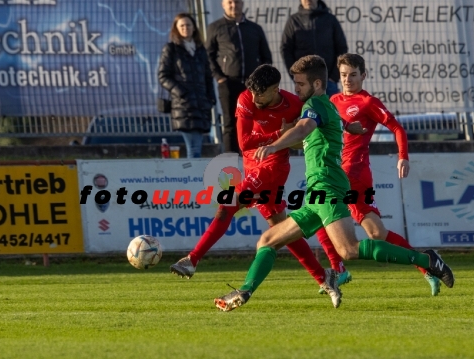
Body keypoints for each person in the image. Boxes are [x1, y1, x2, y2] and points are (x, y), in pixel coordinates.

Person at [214, 55, 455, 312]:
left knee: (349, 250)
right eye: (294, 84)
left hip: (328, 186)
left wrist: (274, 145)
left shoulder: (316, 105)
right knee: (267, 241)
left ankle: (427, 259)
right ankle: (246, 290)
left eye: (300, 84)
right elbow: (323, 127)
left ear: (317, 84)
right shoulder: (325, 104)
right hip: (317, 193)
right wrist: (346, 127)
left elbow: (304, 128)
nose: (295, 89)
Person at [170, 64, 340, 302]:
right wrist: (277, 134)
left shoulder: (294, 105)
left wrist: (343, 128)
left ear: (275, 89)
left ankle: (192, 260)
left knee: (228, 204)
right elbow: (245, 142)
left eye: (261, 93)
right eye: (252, 92)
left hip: (272, 169)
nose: (254, 98)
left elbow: (307, 135)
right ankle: (325, 278)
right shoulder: (246, 98)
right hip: (252, 165)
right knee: (282, 232)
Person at [314, 53, 441, 296]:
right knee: (377, 233)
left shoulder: (367, 102)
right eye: (343, 75)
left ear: (364, 75)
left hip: (352, 171)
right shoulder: (333, 100)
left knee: (318, 212)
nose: (348, 80)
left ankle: (339, 269)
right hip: (344, 172)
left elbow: (397, 127)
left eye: (353, 75)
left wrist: (403, 156)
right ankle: (426, 266)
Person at [206, 0, 273, 153]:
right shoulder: (216, 28)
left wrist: (260, 80)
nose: (233, 5)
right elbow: (208, 56)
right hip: (228, 83)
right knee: (230, 124)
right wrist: (220, 77)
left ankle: (253, 156)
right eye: (229, 2)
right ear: (223, 4)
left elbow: (266, 57)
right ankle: (232, 160)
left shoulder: (255, 29)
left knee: (256, 122)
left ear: (242, 4)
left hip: (253, 87)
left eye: (236, 2)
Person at [158, 13, 215, 158]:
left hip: (201, 105)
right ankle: (193, 179)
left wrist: (210, 98)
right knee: (194, 148)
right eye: (181, 25)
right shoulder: (171, 49)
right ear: (176, 29)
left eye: (188, 25)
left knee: (196, 149)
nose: (185, 28)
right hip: (183, 106)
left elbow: (208, 76)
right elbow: (163, 76)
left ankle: (193, 178)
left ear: (194, 27)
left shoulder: (200, 50)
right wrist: (182, 92)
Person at [280, 0, 347, 97]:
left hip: (329, 82)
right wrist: (296, 76)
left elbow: (341, 48)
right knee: (308, 111)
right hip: (304, 83)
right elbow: (285, 49)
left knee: (330, 112)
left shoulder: (330, 20)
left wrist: (334, 76)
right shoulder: (293, 21)